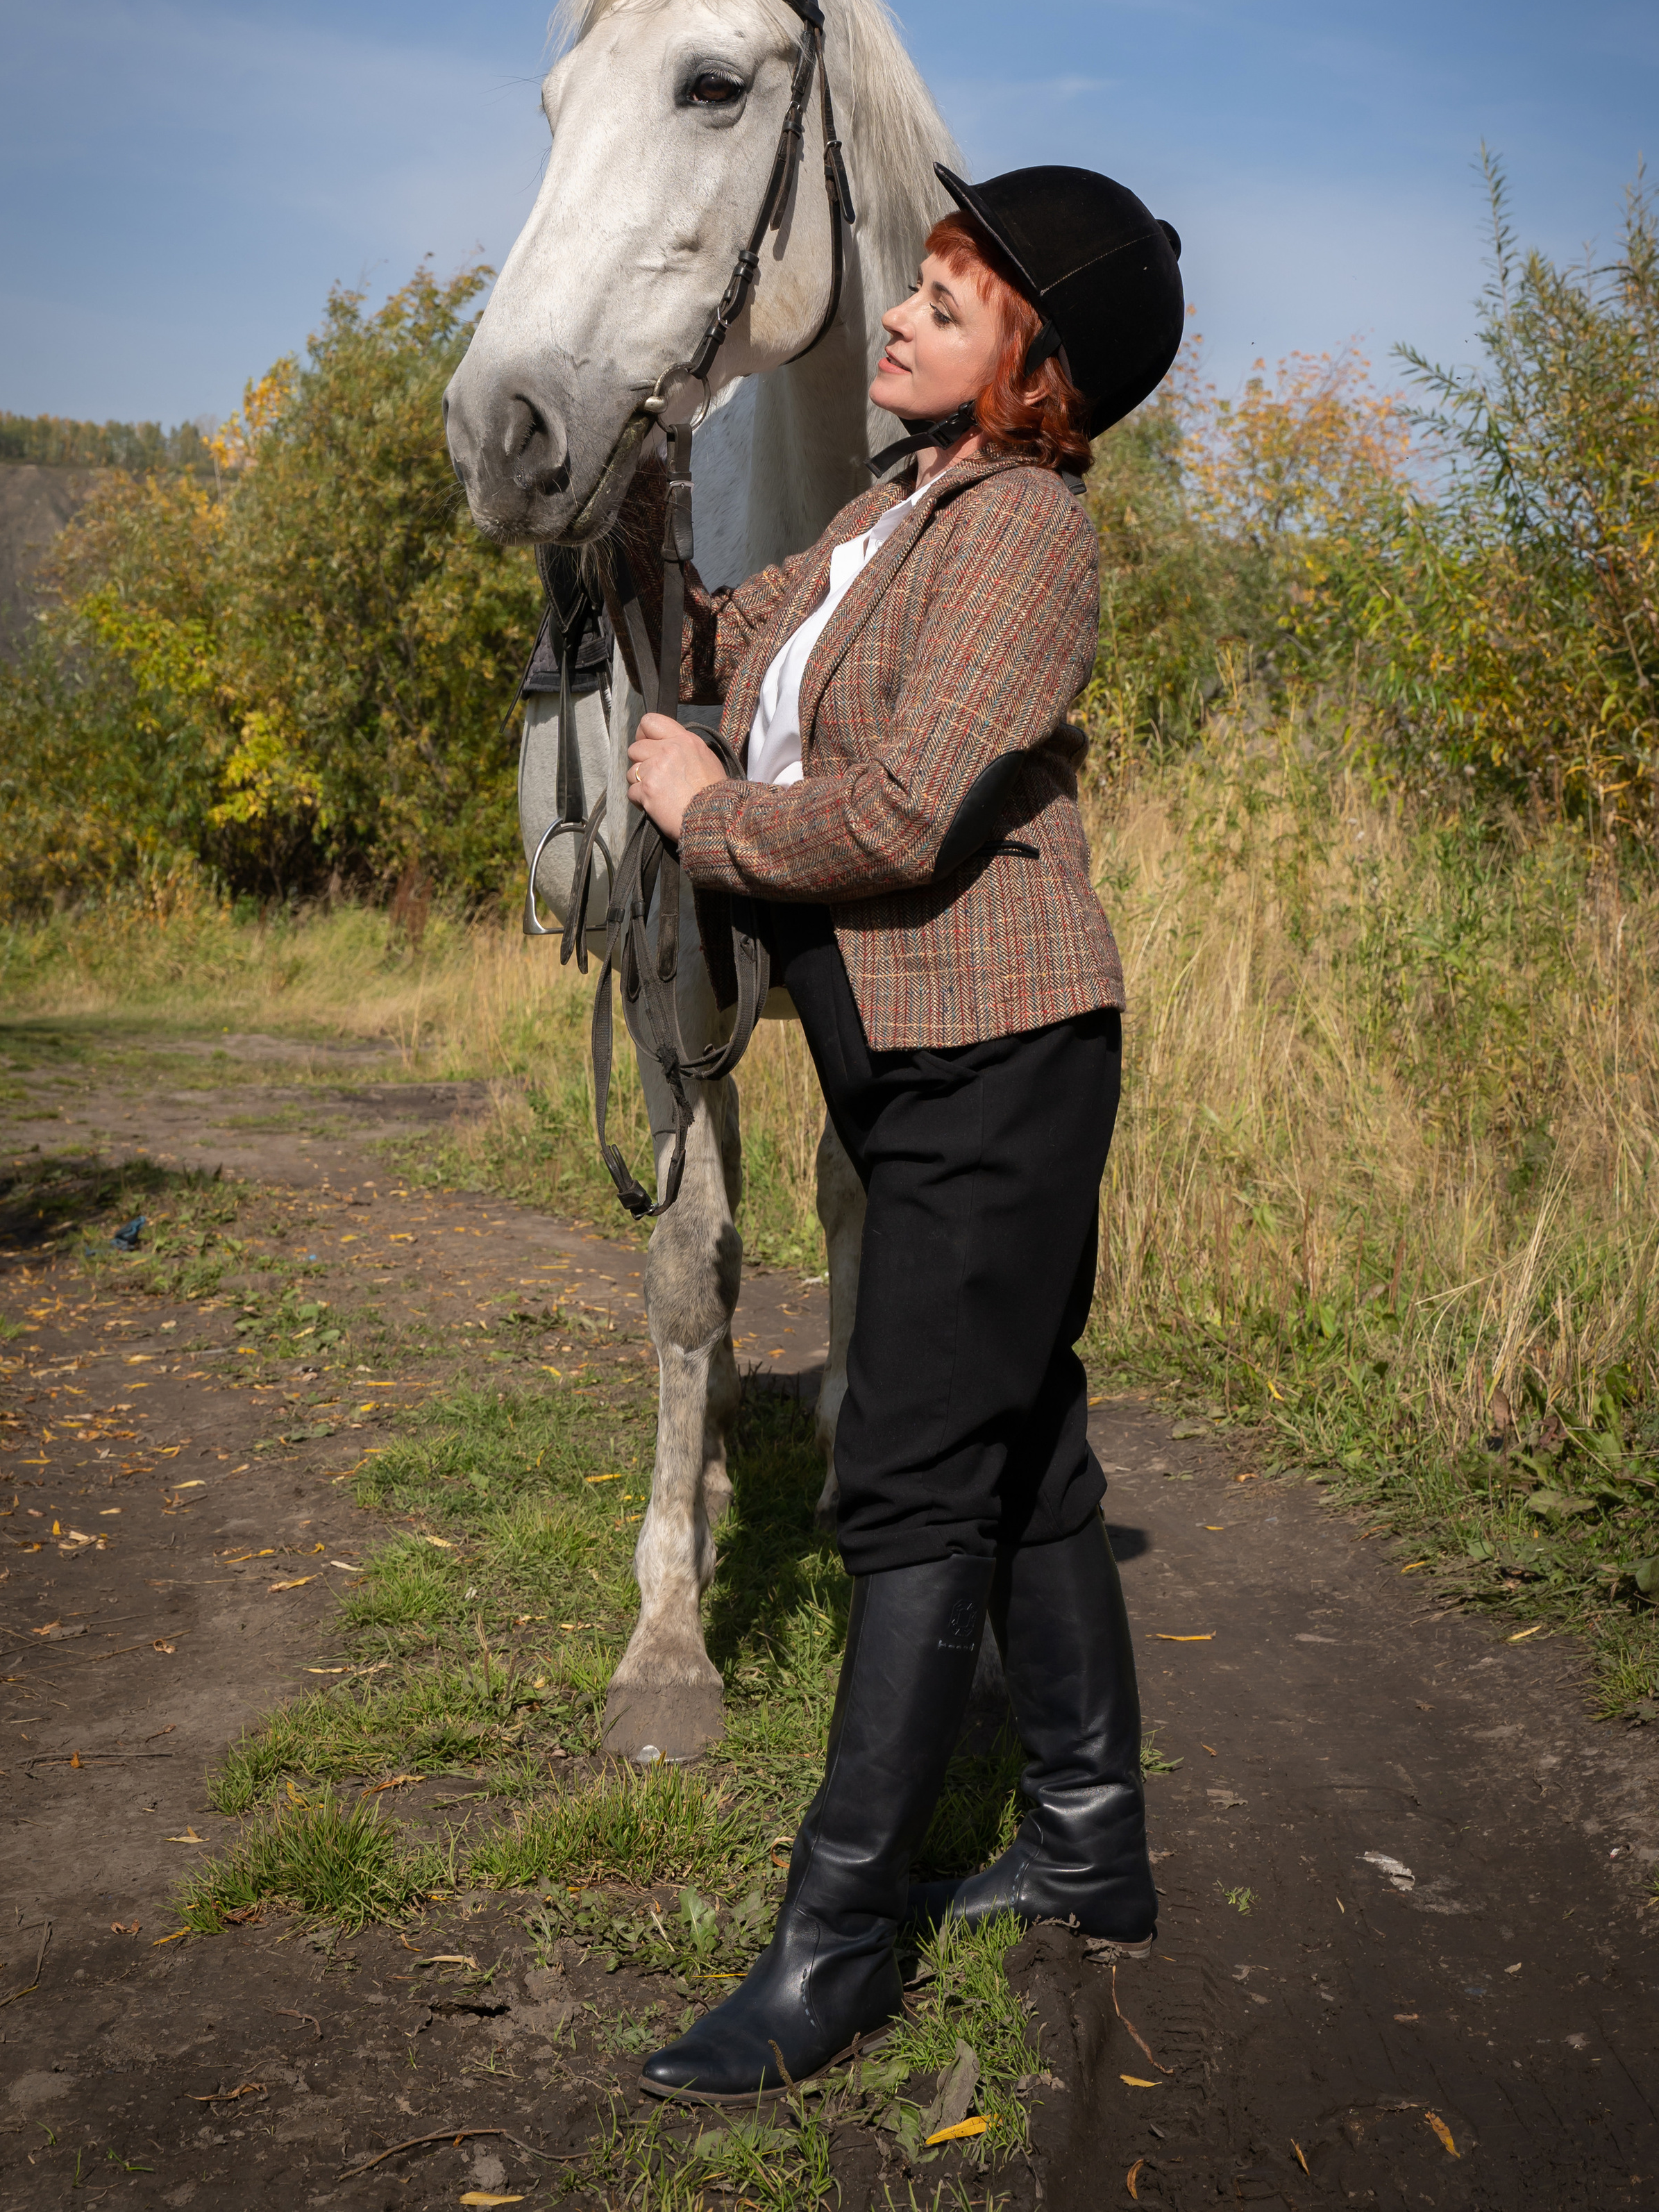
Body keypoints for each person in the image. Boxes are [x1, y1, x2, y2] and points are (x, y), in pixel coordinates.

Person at [621, 163, 1184, 2105]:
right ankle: (1096, 1844)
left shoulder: (1023, 531)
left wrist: (703, 816)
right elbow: (714, 643)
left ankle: (830, 1947)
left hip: (1001, 1053)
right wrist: (622, 518)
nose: (913, 307)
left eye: (959, 293)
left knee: (910, 1479)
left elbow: (901, 811)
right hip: (926, 1051)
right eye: (922, 279)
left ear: (1042, 363)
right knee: (1025, 1452)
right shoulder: (889, 513)